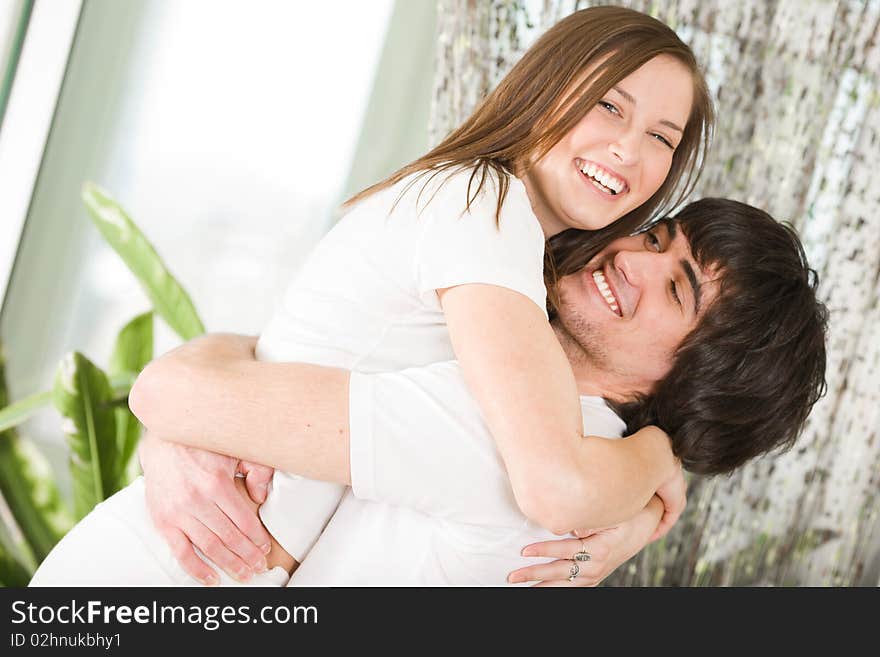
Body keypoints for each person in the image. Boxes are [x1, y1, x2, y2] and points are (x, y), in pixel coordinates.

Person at [119, 5, 715, 586]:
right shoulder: (486, 210)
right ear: (548, 88)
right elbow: (554, 483)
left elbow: (310, 354)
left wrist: (637, 515)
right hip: (173, 563)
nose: (628, 151)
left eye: (662, 138)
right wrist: (661, 455)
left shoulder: (511, 253)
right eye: (609, 105)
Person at [30, 199, 828, 586]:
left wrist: (179, 422)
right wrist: (659, 468)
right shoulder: (528, 388)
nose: (632, 258)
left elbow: (172, 395)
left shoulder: (503, 436)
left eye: (678, 288)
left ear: (700, 378)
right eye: (657, 236)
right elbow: (273, 363)